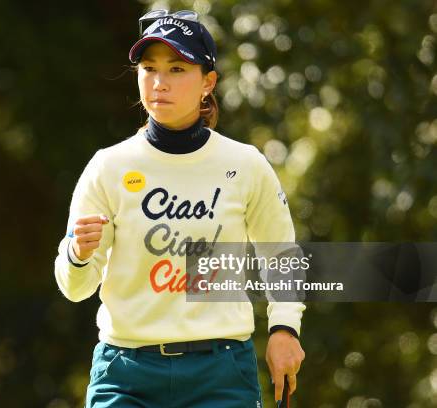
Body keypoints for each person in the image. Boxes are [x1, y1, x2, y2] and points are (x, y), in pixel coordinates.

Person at [54, 9, 305, 408]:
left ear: (208, 83)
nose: (158, 82)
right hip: (126, 373)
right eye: (149, 68)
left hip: (221, 373)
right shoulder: (109, 166)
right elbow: (75, 288)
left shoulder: (245, 165)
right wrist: (78, 255)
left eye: (176, 69)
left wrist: (284, 329)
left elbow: (282, 256)